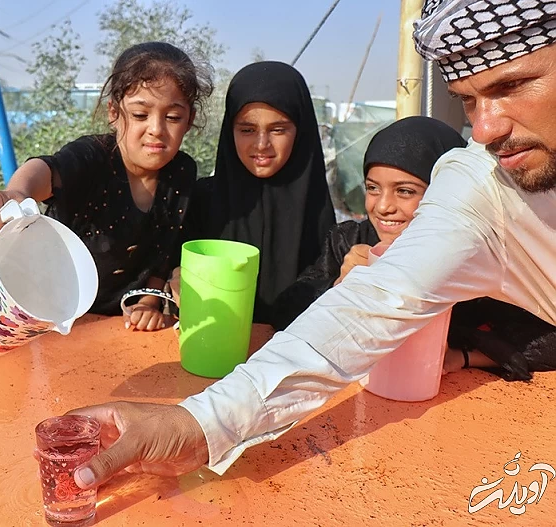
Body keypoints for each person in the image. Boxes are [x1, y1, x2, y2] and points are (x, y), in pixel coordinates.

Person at [62, 0, 556, 491]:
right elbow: (364, 312)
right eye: (467, 101)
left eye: (512, 86)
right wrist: (196, 425)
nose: (486, 129)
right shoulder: (481, 189)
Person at [269, 115, 556, 381]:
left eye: (405, 191)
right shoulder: (351, 241)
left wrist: (464, 356)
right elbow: (285, 311)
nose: (382, 206)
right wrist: (339, 287)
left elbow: (546, 340)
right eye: (372, 188)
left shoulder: (476, 257)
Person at [0, 42, 212, 331]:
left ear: (189, 120)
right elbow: (45, 170)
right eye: (141, 115)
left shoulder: (181, 172)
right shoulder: (93, 156)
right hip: (50, 316)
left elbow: (165, 246)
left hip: (121, 325)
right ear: (114, 112)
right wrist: (15, 194)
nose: (156, 128)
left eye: (173, 117)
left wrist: (147, 303)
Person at [179, 61, 335, 324]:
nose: (262, 145)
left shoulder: (323, 219)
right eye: (247, 130)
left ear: (301, 130)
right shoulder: (200, 203)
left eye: (278, 129)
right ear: (230, 131)